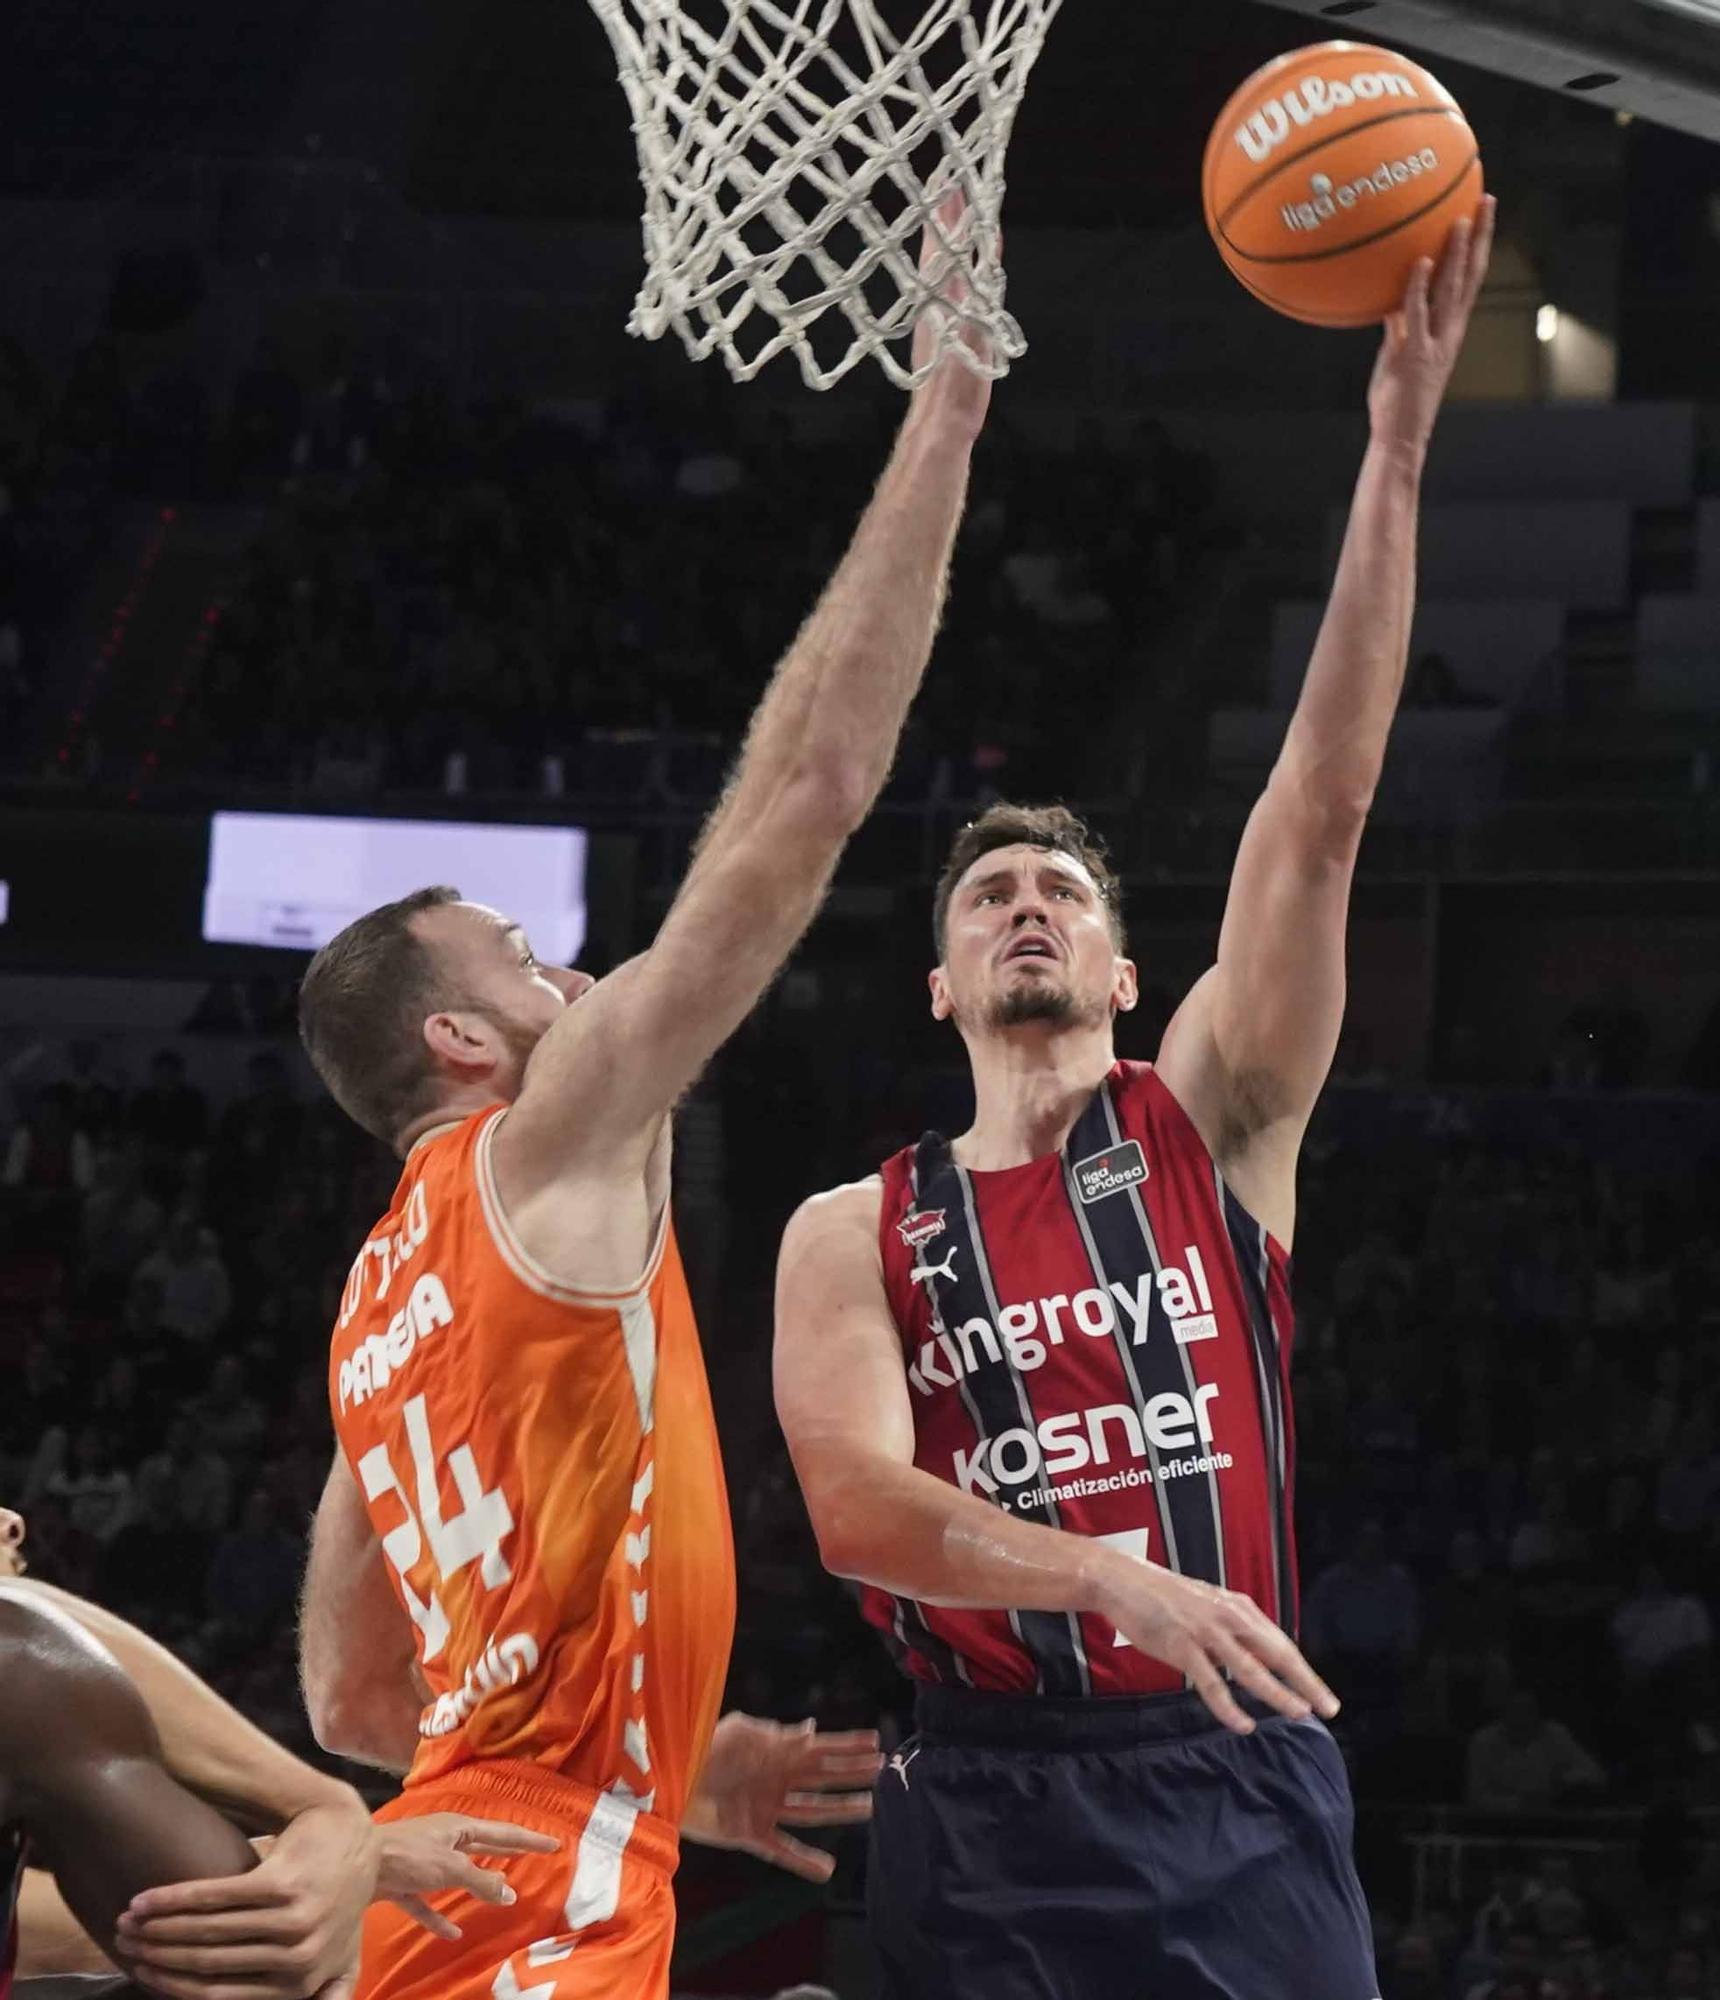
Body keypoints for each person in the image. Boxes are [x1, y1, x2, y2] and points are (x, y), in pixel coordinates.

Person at [134, 205, 994, 2000]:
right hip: (548, 1909)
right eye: (521, 952)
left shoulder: (375, 1314)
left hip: (433, 1891)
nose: (566, 972)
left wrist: (678, 1763)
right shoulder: (553, 1137)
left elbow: (362, 1699)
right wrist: (948, 410)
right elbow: (817, 788)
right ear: (460, 1043)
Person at [773, 202, 1497, 2000]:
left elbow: (1321, 809)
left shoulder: (1217, 1120)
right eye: (987, 896)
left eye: (1066, 895)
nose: (1029, 901)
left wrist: (1395, 454)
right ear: (939, 985)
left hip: (1232, 1771)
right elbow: (859, 1513)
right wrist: (1114, 1585)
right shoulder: (853, 1228)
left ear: (1125, 980)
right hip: (990, 1788)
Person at [0, 1505, 556, 1999]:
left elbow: (38, 1923)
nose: (11, 1522)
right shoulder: (26, 1670)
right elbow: (236, 1969)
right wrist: (328, 1832)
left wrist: (331, 1847)